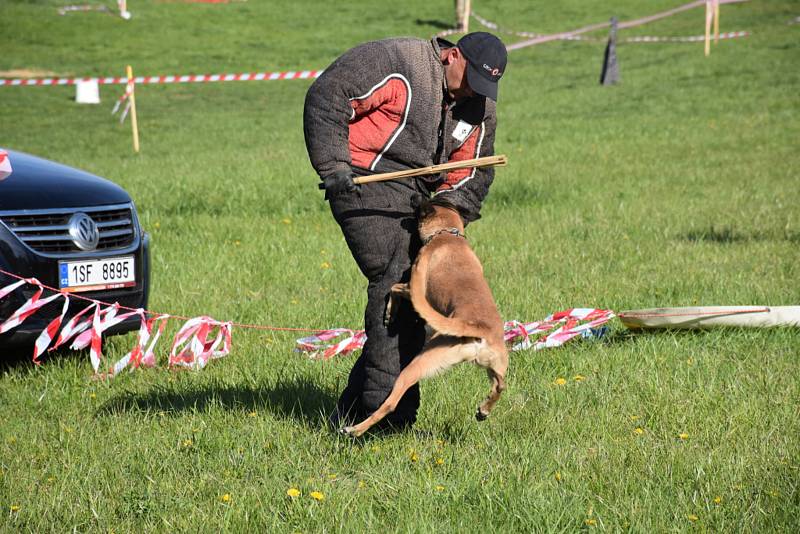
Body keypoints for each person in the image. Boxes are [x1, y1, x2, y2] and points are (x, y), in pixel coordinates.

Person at [303, 31, 507, 431]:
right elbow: (327, 95)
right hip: (360, 180)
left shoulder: (478, 106)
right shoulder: (400, 61)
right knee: (397, 283)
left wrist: (446, 218)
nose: (472, 92)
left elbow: (472, 173)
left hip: (416, 195)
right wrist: (333, 166)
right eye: (470, 79)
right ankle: (387, 418)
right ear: (452, 56)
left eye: (483, 87)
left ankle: (355, 412)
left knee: (416, 291)